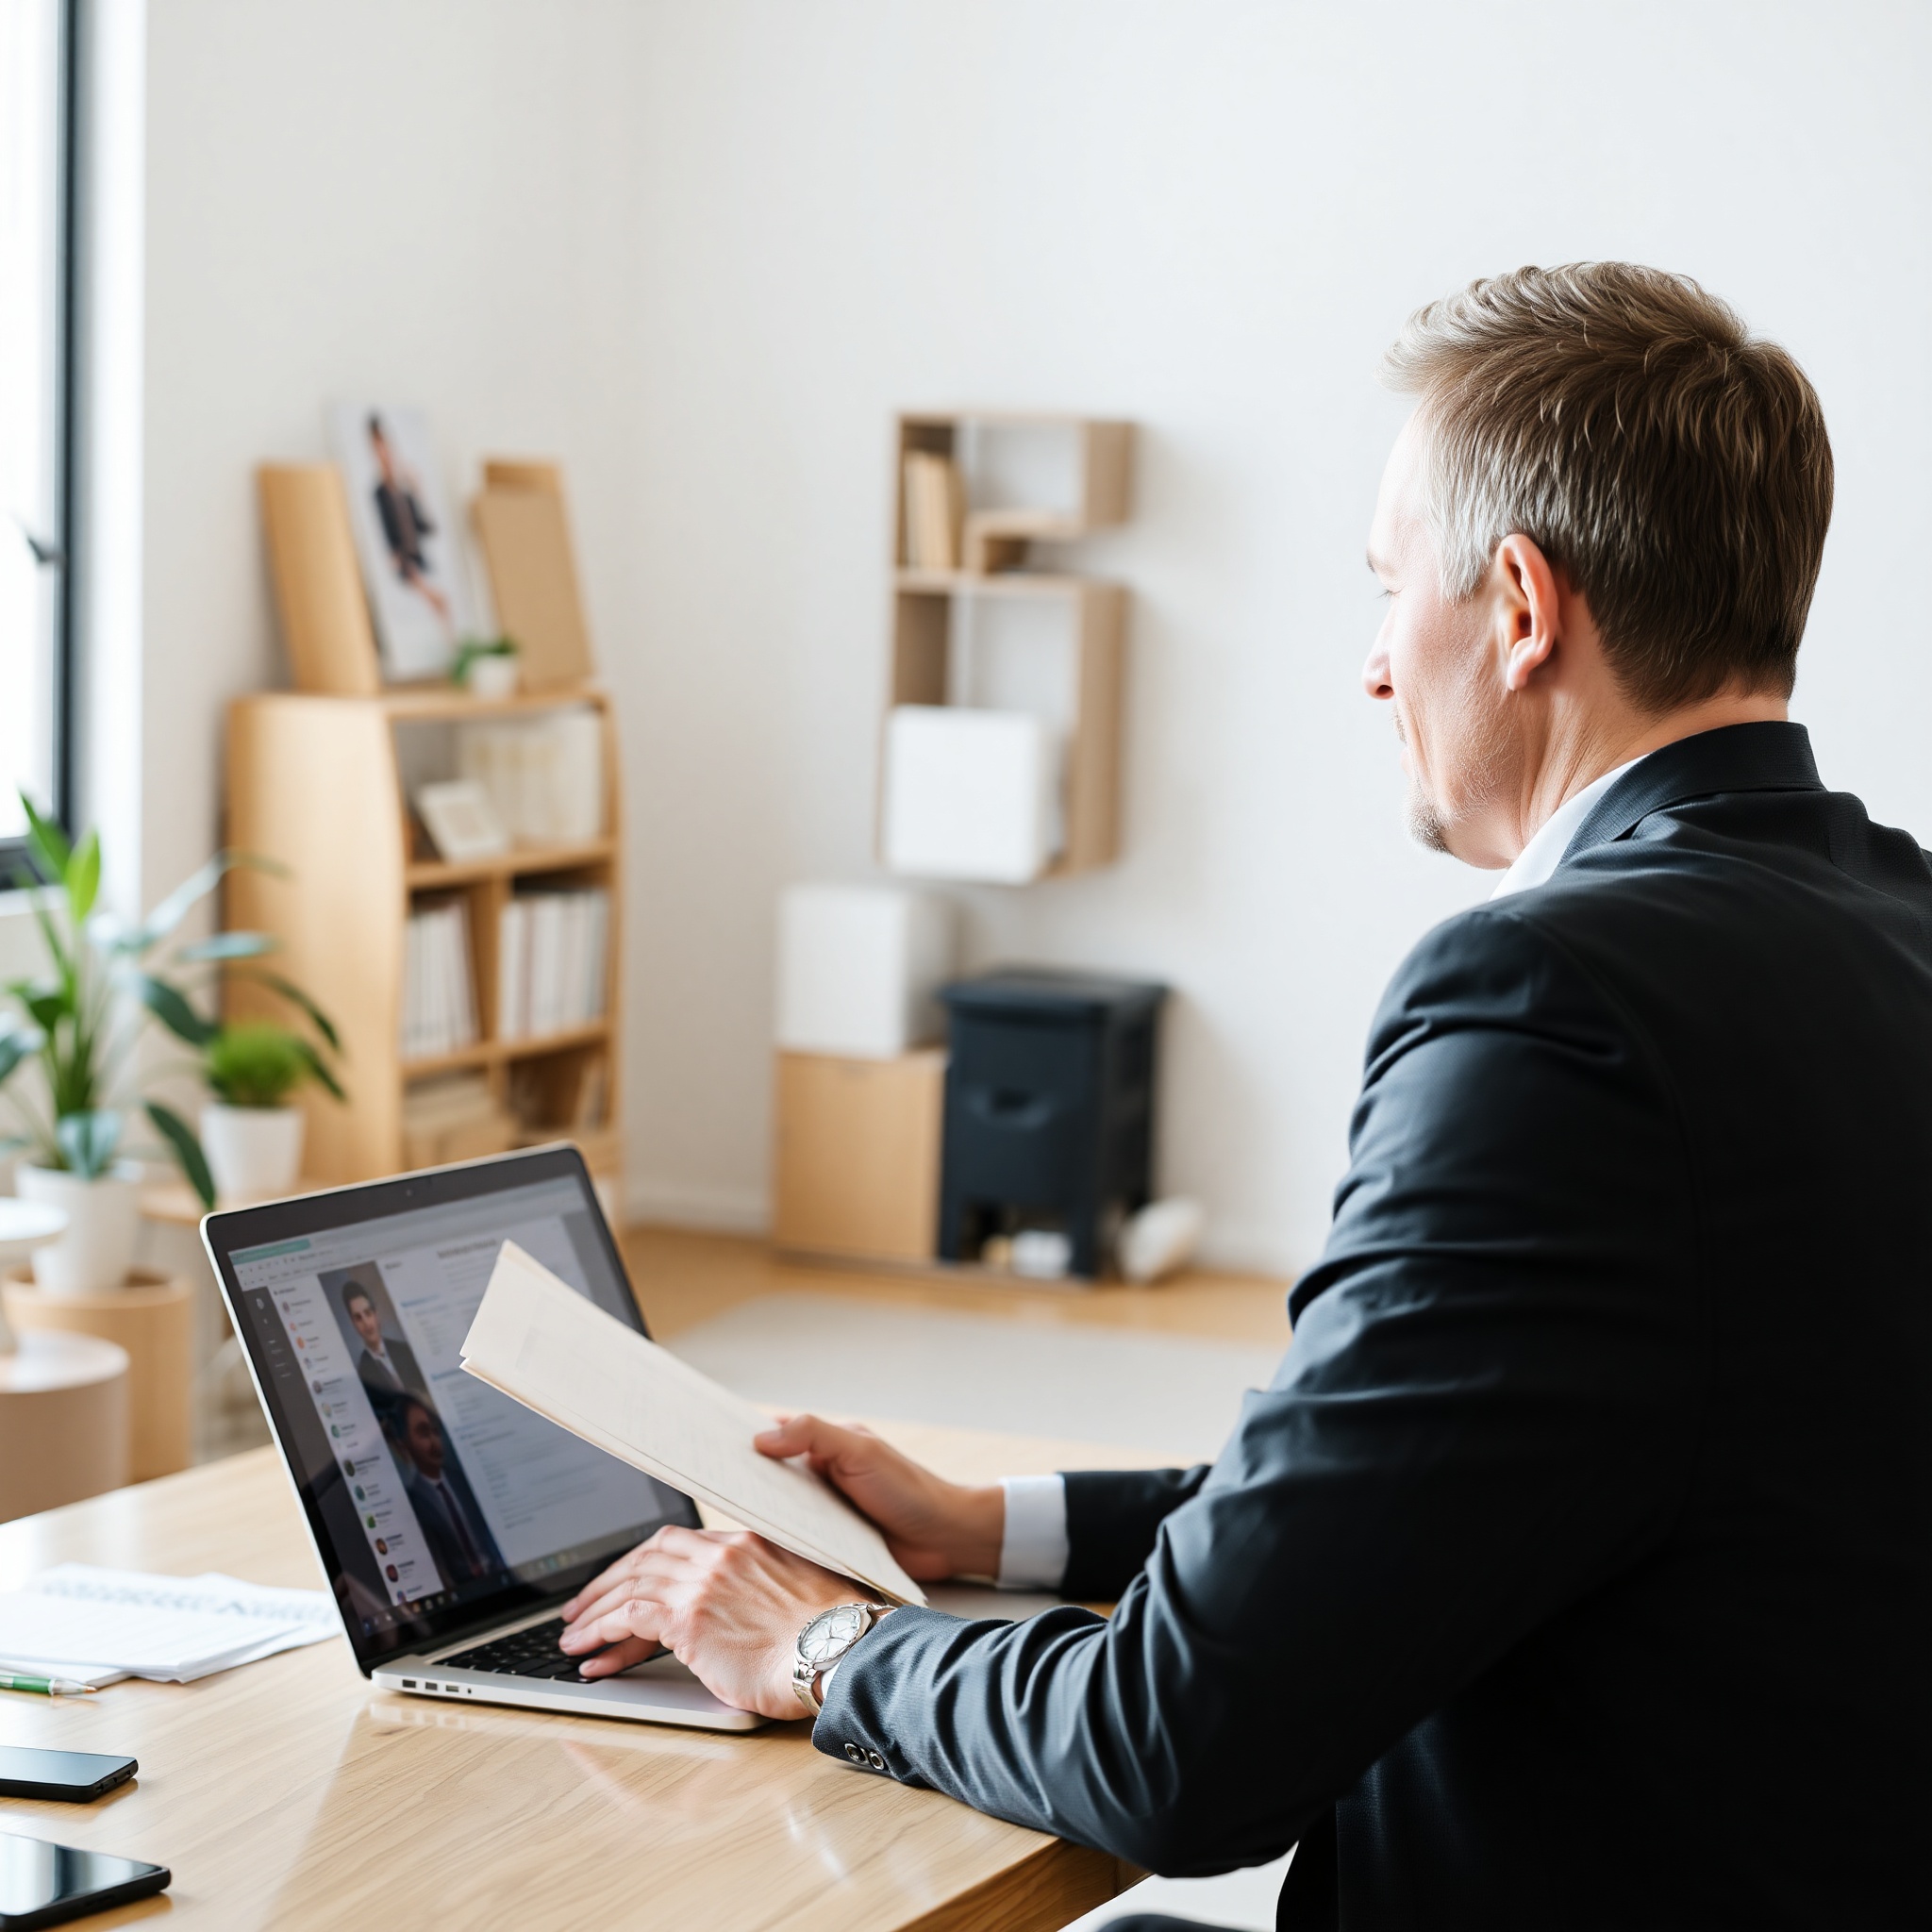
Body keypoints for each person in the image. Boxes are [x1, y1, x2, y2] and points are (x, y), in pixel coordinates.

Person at [557, 266, 1931, 1928]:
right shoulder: (1895, 923)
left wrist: (823, 1641)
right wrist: (985, 1524)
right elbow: (1442, 1491)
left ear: (1518, 608)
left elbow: (1180, 1745)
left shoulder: (1551, 998)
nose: (1373, 666)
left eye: (1389, 589)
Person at [388, 1392, 502, 1589]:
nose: (434, 1442)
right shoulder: (411, 1502)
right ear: (404, 1445)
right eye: (424, 1433)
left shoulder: (464, 1481)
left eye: (435, 1431)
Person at [367, 412, 452, 631]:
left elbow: (429, 528)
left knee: (442, 603)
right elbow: (389, 542)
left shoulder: (405, 489)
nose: (383, 454)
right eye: (377, 449)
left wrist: (418, 491)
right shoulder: (379, 494)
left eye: (384, 447)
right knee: (436, 602)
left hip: (421, 563)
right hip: (405, 569)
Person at [342, 1281, 429, 1404]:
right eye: (358, 1318)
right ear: (354, 1324)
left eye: (368, 1313)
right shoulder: (362, 1375)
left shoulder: (405, 1350)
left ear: (375, 1314)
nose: (366, 1323)